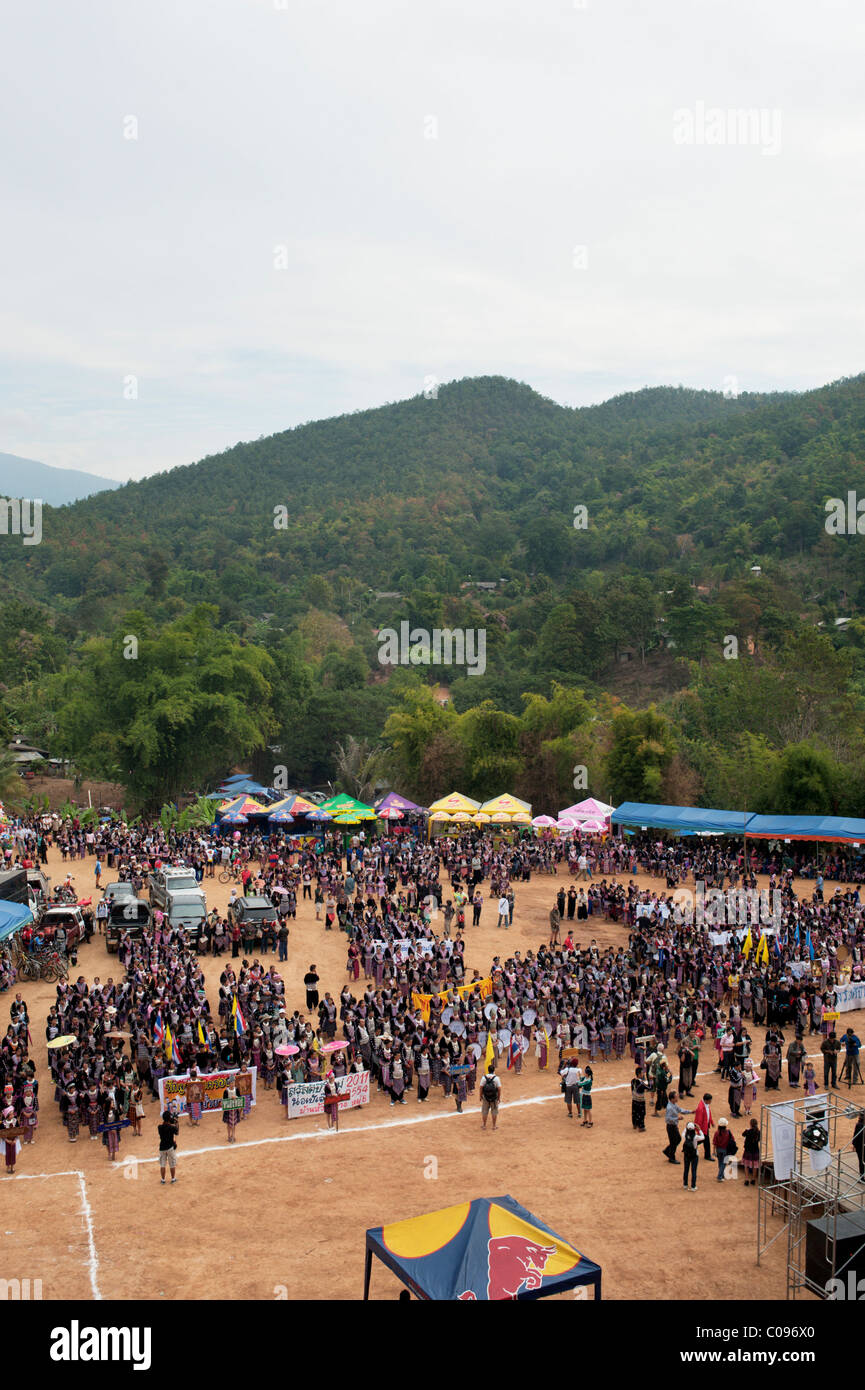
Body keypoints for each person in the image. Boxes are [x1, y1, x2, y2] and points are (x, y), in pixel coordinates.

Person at [663, 1091, 692, 1164]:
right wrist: (677, 1119)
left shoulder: (674, 1104)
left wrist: (690, 1112)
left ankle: (667, 1151)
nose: (677, 1097)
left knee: (678, 1139)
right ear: (672, 1099)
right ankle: (671, 1158)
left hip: (673, 1126)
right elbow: (667, 1119)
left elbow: (681, 1110)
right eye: (676, 1097)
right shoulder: (670, 1107)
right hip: (671, 1126)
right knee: (673, 1142)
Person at [157, 1108, 179, 1185]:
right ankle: (173, 1179)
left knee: (162, 1164)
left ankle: (163, 1180)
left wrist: (171, 1121)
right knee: (172, 1164)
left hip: (162, 1147)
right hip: (170, 1147)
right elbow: (177, 1132)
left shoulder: (159, 1127)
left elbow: (165, 1125)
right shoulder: (171, 1127)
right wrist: (176, 1122)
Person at [681, 1121, 702, 1191]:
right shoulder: (696, 1137)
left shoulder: (685, 1135)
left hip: (686, 1154)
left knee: (686, 1169)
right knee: (694, 1170)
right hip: (694, 1154)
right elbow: (703, 1137)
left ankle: (685, 1184)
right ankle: (693, 1186)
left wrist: (686, 1127)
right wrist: (699, 1129)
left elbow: (683, 1132)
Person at [480, 1064, 501, 1131]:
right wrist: (498, 1098)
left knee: (485, 1111)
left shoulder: (484, 1078)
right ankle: (494, 1126)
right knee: (494, 1111)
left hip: (486, 1097)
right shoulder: (496, 1078)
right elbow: (499, 1088)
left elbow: (481, 1087)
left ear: (488, 1070)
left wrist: (480, 1096)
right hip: (494, 1097)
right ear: (494, 1070)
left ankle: (484, 1125)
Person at [713, 1117, 734, 1182]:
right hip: (725, 1150)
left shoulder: (717, 1133)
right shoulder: (728, 1132)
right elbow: (733, 1140)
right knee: (724, 1163)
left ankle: (721, 1175)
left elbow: (714, 1143)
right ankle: (719, 1176)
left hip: (718, 1150)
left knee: (720, 1163)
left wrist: (714, 1151)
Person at [742, 1118, 761, 1187]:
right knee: (755, 1166)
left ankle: (747, 1180)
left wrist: (748, 1129)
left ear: (750, 1124)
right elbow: (759, 1139)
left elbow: (743, 1134)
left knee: (746, 1165)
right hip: (755, 1150)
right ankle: (753, 1179)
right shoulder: (758, 1132)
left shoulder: (748, 1131)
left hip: (748, 1150)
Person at [695, 1093, 714, 1160]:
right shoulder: (701, 1108)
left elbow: (709, 1114)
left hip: (705, 1126)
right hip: (703, 1128)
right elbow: (699, 1120)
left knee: (702, 1140)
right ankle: (707, 1156)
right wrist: (699, 1130)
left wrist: (711, 1122)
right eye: (710, 1100)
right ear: (706, 1100)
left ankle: (689, 1144)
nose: (711, 1102)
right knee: (706, 1142)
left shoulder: (705, 1104)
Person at [630, 1066, 648, 1131]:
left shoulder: (632, 1081)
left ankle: (635, 1124)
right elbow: (650, 1087)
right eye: (642, 1073)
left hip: (634, 1099)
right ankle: (641, 1127)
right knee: (641, 1113)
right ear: (639, 1074)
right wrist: (651, 1080)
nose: (643, 1074)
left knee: (635, 1112)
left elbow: (632, 1090)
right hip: (640, 1100)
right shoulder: (641, 1083)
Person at [852, 1110, 865, 1181]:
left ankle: (862, 1176)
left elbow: (855, 1136)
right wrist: (854, 1144)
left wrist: (854, 1144)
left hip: (859, 1145)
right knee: (862, 1161)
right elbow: (856, 1136)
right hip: (860, 1146)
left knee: (862, 1161)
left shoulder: (859, 1124)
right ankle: (862, 1177)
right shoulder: (860, 1125)